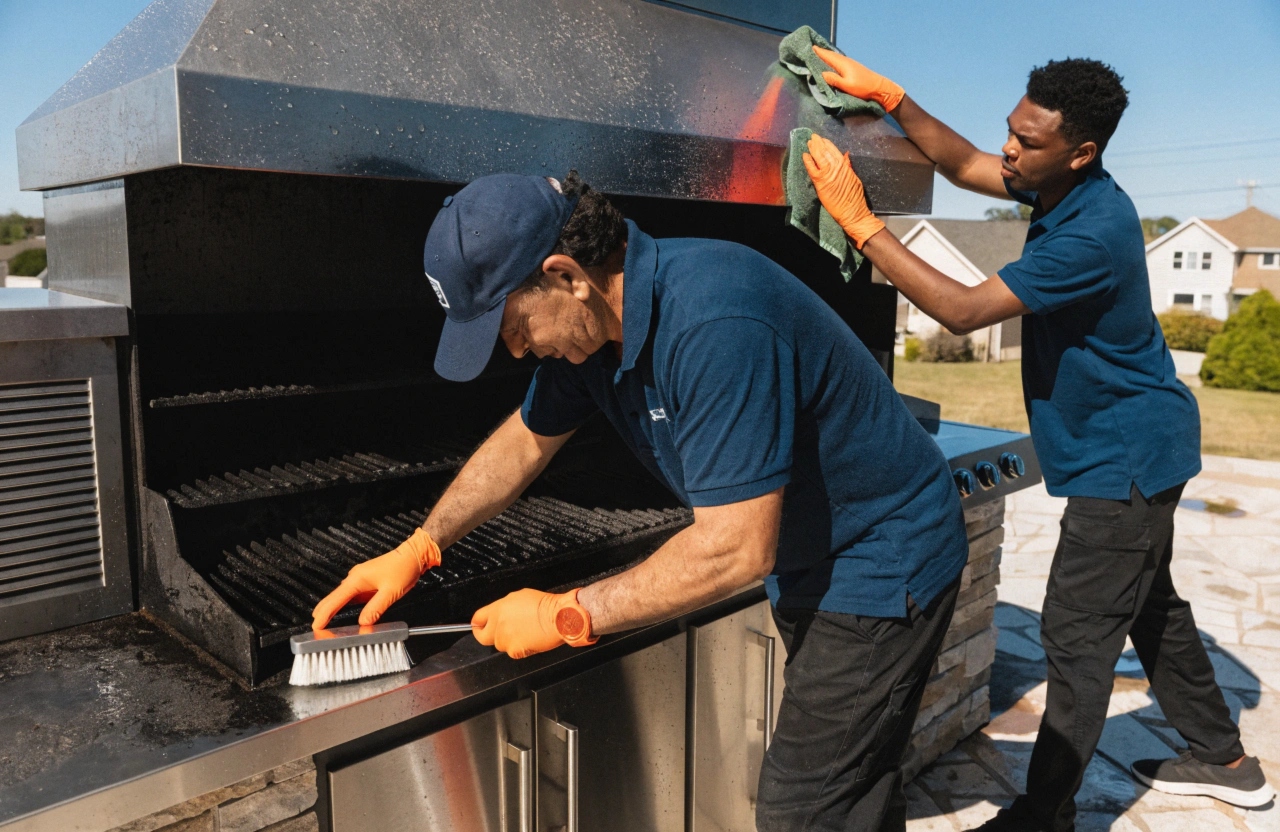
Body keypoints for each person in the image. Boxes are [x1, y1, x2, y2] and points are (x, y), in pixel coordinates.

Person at [311, 170, 970, 830]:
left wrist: (569, 613)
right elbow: (522, 443)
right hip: (811, 552)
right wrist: (423, 545)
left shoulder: (715, 320)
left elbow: (735, 548)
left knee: (804, 809)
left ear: (566, 274)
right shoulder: (594, 331)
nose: (515, 349)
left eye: (512, 324)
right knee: (855, 783)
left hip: (883, 557)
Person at [800, 52, 1276, 829]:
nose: (1011, 151)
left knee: (1075, 635)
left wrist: (863, 227)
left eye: (1029, 140)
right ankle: (1227, 761)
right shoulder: (1059, 184)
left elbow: (957, 308)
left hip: (1124, 456)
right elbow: (958, 164)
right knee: (1149, 606)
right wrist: (893, 98)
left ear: (1082, 151)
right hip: (1141, 440)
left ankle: (1045, 813)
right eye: (1011, 132)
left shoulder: (1090, 233)